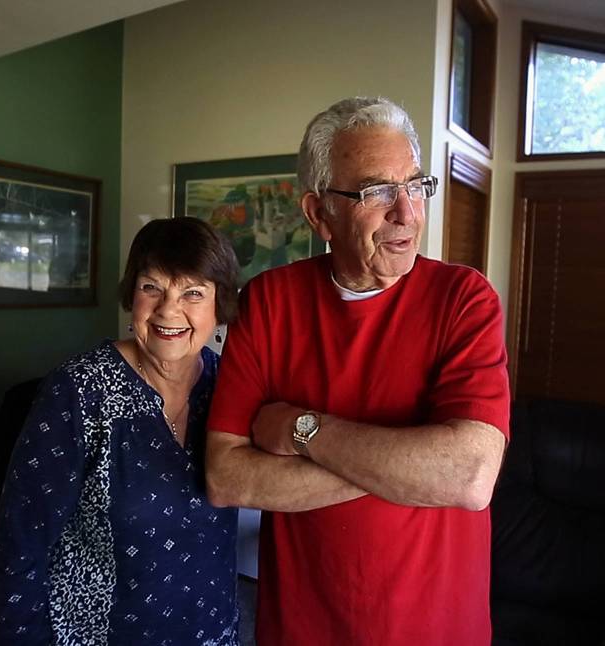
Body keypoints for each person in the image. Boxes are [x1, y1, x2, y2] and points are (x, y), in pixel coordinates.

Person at [204, 97, 511, 645]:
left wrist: (304, 431)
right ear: (320, 212)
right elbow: (228, 478)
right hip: (301, 630)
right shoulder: (269, 302)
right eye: (377, 192)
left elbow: (468, 477)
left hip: (437, 632)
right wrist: (407, 464)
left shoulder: (464, 299)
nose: (408, 213)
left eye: (415, 185)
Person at [0, 217, 242, 645]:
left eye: (193, 293)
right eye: (152, 288)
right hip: (97, 634)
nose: (168, 309)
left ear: (219, 306)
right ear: (131, 295)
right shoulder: (78, 390)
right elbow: (19, 542)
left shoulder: (229, 387)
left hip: (210, 630)